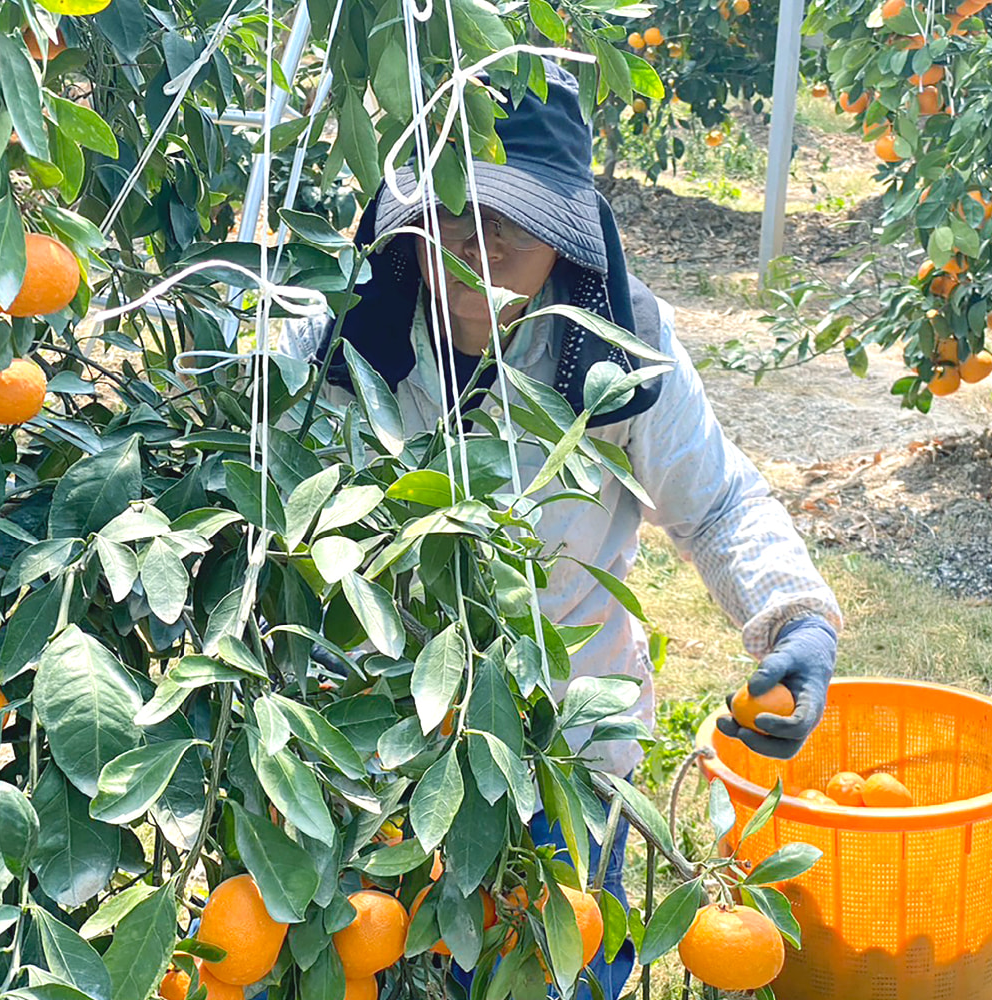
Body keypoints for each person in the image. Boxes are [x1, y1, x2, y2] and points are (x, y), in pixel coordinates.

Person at [277, 60, 842, 999]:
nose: (476, 247)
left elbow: (719, 502)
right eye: (453, 210)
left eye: (514, 222)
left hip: (561, 758)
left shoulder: (612, 347)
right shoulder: (346, 330)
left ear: (565, 234)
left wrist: (795, 620)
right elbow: (229, 407)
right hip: (370, 751)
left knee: (550, 974)